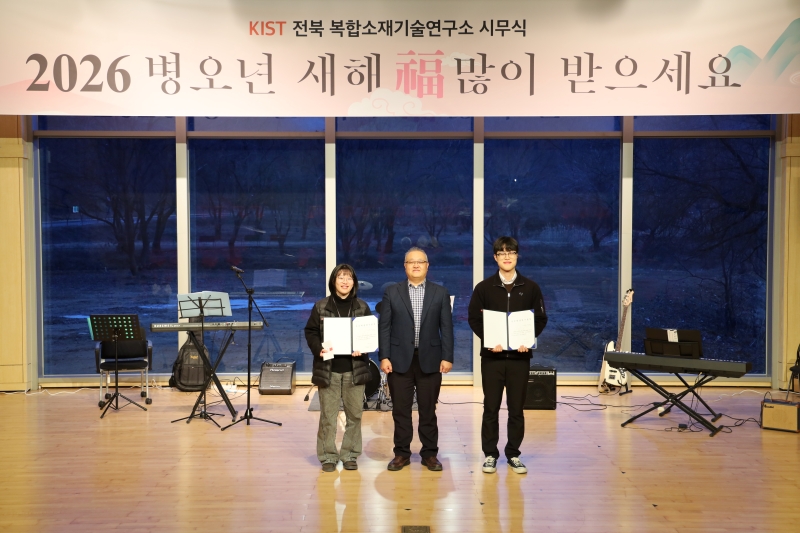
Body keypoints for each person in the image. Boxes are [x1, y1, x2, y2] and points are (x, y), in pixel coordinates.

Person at [467, 236, 548, 475]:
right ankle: (490, 455)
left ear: (517, 256)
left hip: (519, 359)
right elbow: (474, 318)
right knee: (490, 407)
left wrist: (528, 339)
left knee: (516, 409)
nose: (507, 257)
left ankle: (513, 454)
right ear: (495, 257)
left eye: (511, 252)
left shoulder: (531, 287)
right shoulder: (483, 288)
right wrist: (489, 340)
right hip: (492, 358)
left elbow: (540, 319)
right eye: (502, 253)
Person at [379, 247, 454, 471]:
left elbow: (446, 328)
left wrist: (447, 357)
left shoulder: (440, 293)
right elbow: (384, 328)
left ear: (427, 266)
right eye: (411, 262)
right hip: (398, 360)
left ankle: (429, 454)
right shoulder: (392, 292)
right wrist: (384, 356)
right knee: (400, 411)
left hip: (430, 360)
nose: (416, 265)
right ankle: (401, 453)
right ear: (405, 266)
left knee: (428, 411)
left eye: (420, 262)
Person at [304, 264, 373, 472]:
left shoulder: (362, 307)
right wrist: (319, 349)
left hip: (355, 369)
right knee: (328, 417)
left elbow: (368, 335)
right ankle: (328, 456)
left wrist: (363, 347)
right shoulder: (321, 306)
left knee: (355, 415)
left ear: (354, 282)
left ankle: (350, 454)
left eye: (349, 278)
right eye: (341, 277)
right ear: (333, 281)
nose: (345, 281)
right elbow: (311, 332)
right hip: (329, 369)